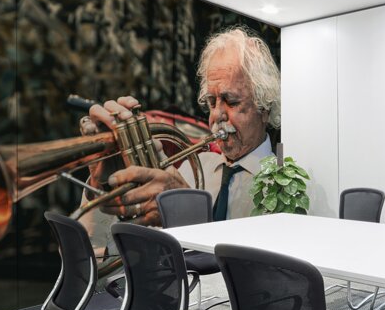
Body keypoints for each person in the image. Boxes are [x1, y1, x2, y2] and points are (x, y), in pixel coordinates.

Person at [79, 26, 281, 234]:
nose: (217, 115)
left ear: (264, 108)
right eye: (211, 102)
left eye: (231, 101)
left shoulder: (282, 185)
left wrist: (186, 214)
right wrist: (101, 187)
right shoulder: (195, 167)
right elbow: (105, 253)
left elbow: (253, 264)